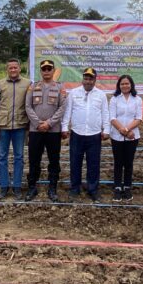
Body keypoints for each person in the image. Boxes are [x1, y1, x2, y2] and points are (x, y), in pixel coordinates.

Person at [61, 67, 110, 202]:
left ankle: (92, 189)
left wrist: (106, 130)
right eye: (86, 78)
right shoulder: (74, 93)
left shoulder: (101, 95)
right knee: (75, 162)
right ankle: (75, 188)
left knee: (93, 164)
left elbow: (105, 113)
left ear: (95, 80)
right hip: (77, 134)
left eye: (90, 78)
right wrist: (64, 127)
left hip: (94, 135)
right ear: (82, 79)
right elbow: (68, 111)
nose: (88, 81)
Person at [24, 59, 68, 202]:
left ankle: (52, 188)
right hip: (35, 131)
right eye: (44, 69)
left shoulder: (60, 87)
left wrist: (48, 123)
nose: (47, 71)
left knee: (54, 160)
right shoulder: (33, 86)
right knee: (34, 160)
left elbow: (62, 107)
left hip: (53, 131)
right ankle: (32, 187)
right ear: (41, 71)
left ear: (53, 71)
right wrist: (38, 123)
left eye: (49, 69)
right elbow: (28, 106)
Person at [0, 58, 30, 200]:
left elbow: (30, 105)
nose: (13, 70)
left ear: (20, 68)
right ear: (7, 69)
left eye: (15, 67)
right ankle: (4, 186)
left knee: (19, 157)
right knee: (2, 158)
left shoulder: (27, 84)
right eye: (10, 68)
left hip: (20, 126)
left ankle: (17, 186)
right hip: (3, 127)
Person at [109, 75, 143, 202]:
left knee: (129, 162)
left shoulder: (137, 99)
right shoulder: (114, 99)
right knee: (118, 162)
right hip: (116, 136)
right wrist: (122, 131)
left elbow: (139, 118)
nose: (125, 86)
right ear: (119, 85)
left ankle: (127, 187)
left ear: (131, 85)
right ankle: (117, 187)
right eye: (122, 84)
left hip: (132, 136)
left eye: (127, 83)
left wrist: (127, 130)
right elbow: (112, 118)